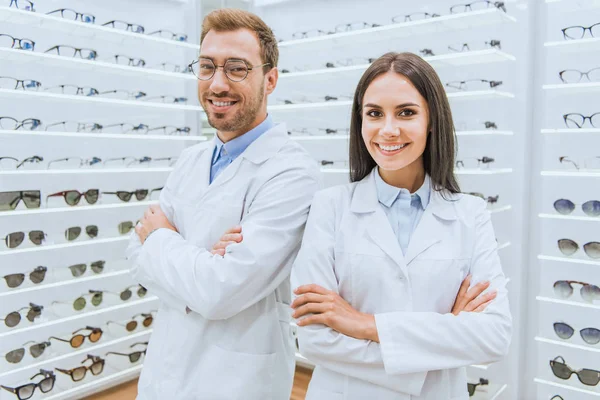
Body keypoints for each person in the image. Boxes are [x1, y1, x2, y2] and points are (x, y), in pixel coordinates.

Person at [290, 52, 512, 400]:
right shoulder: (329, 207)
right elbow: (316, 340)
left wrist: (365, 324)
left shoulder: (471, 214)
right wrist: (447, 336)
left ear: (431, 120)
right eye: (374, 113)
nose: (388, 129)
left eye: (406, 112)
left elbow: (494, 336)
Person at [126, 9, 320, 400]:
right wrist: (200, 263)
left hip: (237, 380)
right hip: (165, 370)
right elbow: (134, 254)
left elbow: (220, 293)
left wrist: (163, 239)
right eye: (207, 67)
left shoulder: (292, 172)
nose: (217, 84)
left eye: (236, 69)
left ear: (270, 78)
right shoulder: (190, 161)